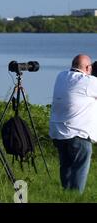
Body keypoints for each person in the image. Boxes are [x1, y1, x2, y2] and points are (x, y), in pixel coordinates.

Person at [49, 54, 97, 193]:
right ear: (88, 68)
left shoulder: (61, 76)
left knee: (66, 167)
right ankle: (75, 198)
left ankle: (66, 197)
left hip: (58, 133)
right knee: (79, 172)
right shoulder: (90, 82)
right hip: (78, 136)